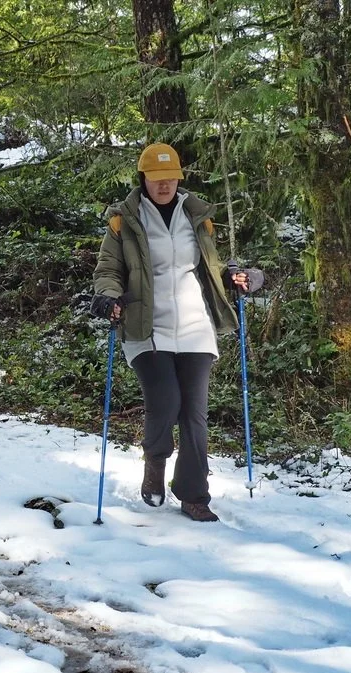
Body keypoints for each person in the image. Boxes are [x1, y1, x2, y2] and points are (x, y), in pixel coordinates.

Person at [91, 143, 263, 522]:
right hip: (146, 325)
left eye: (170, 178)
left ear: (178, 178)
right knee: (166, 400)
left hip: (195, 324)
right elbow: (107, 271)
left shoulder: (197, 216)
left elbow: (213, 267)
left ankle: (193, 494)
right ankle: (155, 461)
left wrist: (240, 276)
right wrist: (107, 297)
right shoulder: (124, 220)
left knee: (195, 413)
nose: (164, 185)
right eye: (156, 179)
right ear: (144, 179)